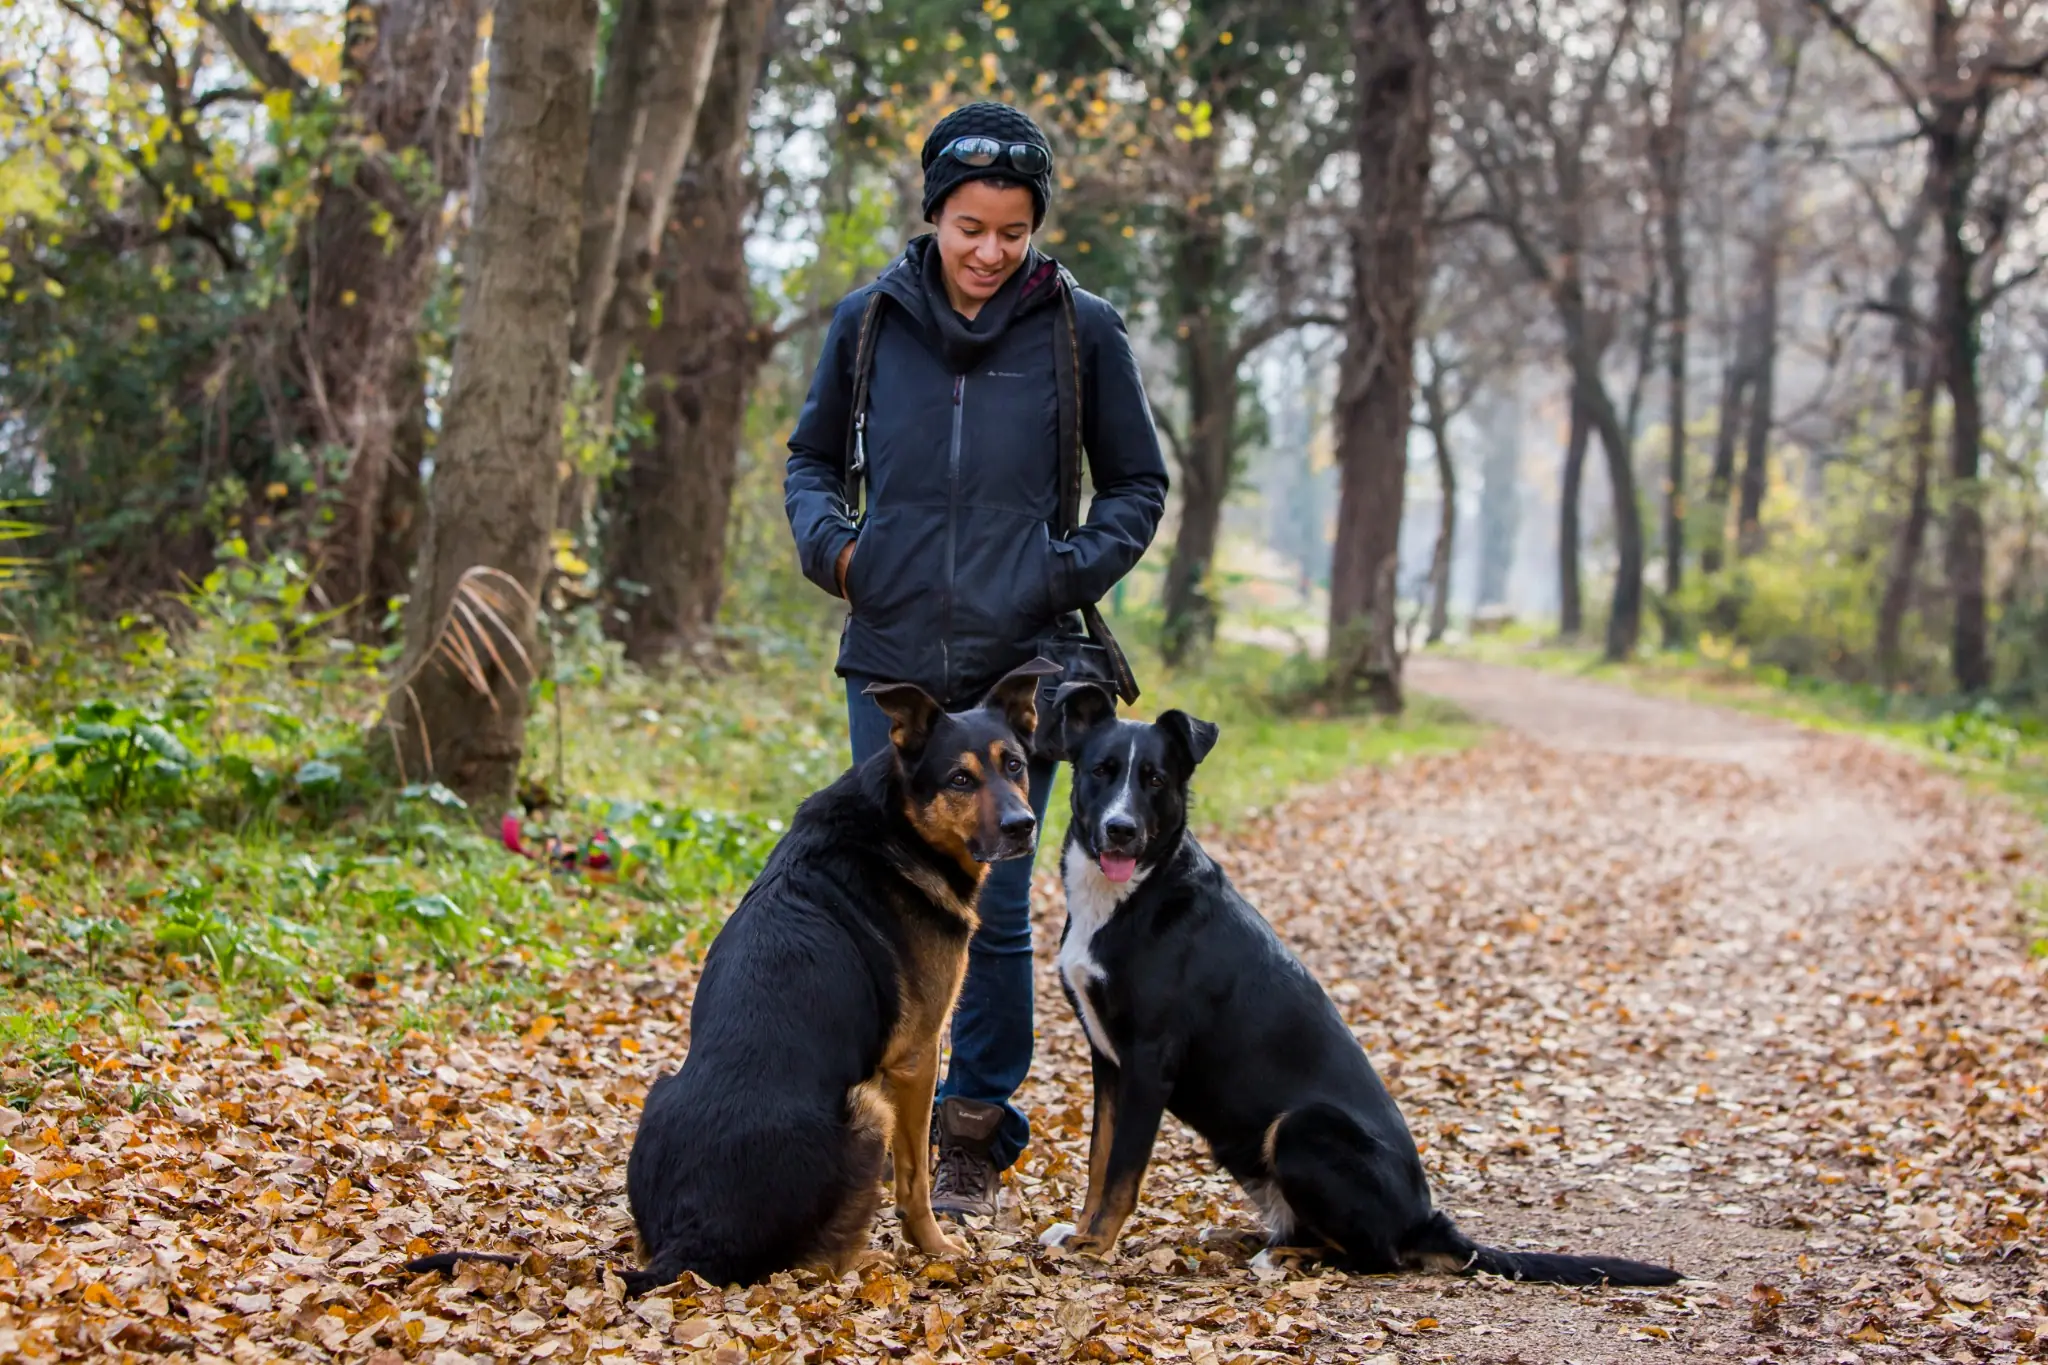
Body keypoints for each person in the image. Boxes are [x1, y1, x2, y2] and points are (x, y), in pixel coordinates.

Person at [784, 101, 1168, 1219]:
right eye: (969, 227)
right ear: (934, 217)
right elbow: (810, 461)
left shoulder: (1078, 330)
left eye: (1012, 230)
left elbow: (1137, 484)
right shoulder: (867, 323)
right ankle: (854, 1107)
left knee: (991, 908)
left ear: (1035, 224)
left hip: (1020, 667)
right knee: (869, 888)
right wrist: (841, 556)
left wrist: (1059, 575)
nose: (991, 252)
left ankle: (970, 1131)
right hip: (893, 658)